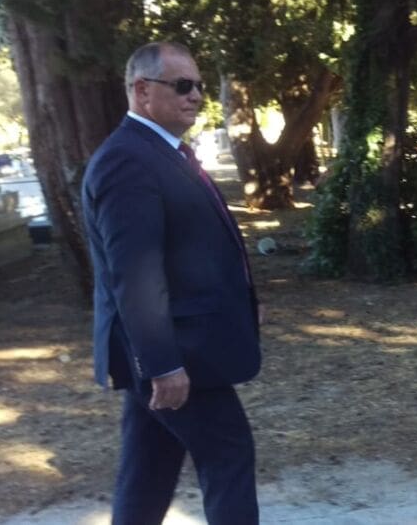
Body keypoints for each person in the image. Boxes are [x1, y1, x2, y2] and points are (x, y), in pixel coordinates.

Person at [82, 42, 261, 524]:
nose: (196, 95)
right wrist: (162, 365)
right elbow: (134, 273)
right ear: (142, 91)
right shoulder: (128, 161)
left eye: (199, 86)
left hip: (175, 350)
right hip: (175, 355)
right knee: (228, 454)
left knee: (148, 470)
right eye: (183, 86)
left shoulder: (160, 152)